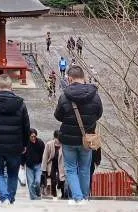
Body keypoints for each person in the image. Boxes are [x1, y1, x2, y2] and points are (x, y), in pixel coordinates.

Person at [55, 65, 103, 205]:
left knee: (70, 168)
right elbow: (98, 114)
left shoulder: (64, 96)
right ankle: (84, 196)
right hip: (87, 139)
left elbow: (58, 116)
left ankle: (77, 197)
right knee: (85, 168)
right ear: (84, 78)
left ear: (70, 78)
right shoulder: (95, 96)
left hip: (69, 139)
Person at [0, 74, 31, 205]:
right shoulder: (21, 103)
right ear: (11, 86)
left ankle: (4, 197)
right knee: (13, 173)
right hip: (15, 145)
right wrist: (25, 144)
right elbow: (26, 126)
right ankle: (11, 198)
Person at [42, 131, 66, 200]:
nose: (59, 141)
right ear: (54, 138)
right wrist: (44, 169)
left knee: (61, 179)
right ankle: (54, 195)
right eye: (58, 138)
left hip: (61, 163)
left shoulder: (63, 145)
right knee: (53, 180)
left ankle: (61, 192)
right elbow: (45, 156)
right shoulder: (49, 144)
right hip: (51, 163)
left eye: (60, 139)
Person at [23, 129, 46, 200]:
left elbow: (44, 154)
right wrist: (21, 164)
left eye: (34, 136)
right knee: (30, 183)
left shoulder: (40, 143)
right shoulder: (25, 144)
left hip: (38, 165)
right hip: (29, 166)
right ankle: (33, 197)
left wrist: (44, 164)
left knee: (37, 181)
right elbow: (22, 154)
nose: (33, 138)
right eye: (31, 136)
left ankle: (38, 193)